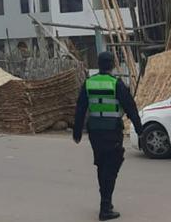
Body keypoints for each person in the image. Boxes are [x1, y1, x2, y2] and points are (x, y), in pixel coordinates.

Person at [73, 51, 143, 221]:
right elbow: (131, 107)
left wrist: (77, 133)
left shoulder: (89, 83)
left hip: (95, 133)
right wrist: (140, 130)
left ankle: (106, 202)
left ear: (99, 64)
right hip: (112, 132)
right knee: (112, 167)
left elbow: (80, 108)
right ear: (112, 65)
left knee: (102, 165)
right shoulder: (116, 84)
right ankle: (105, 207)